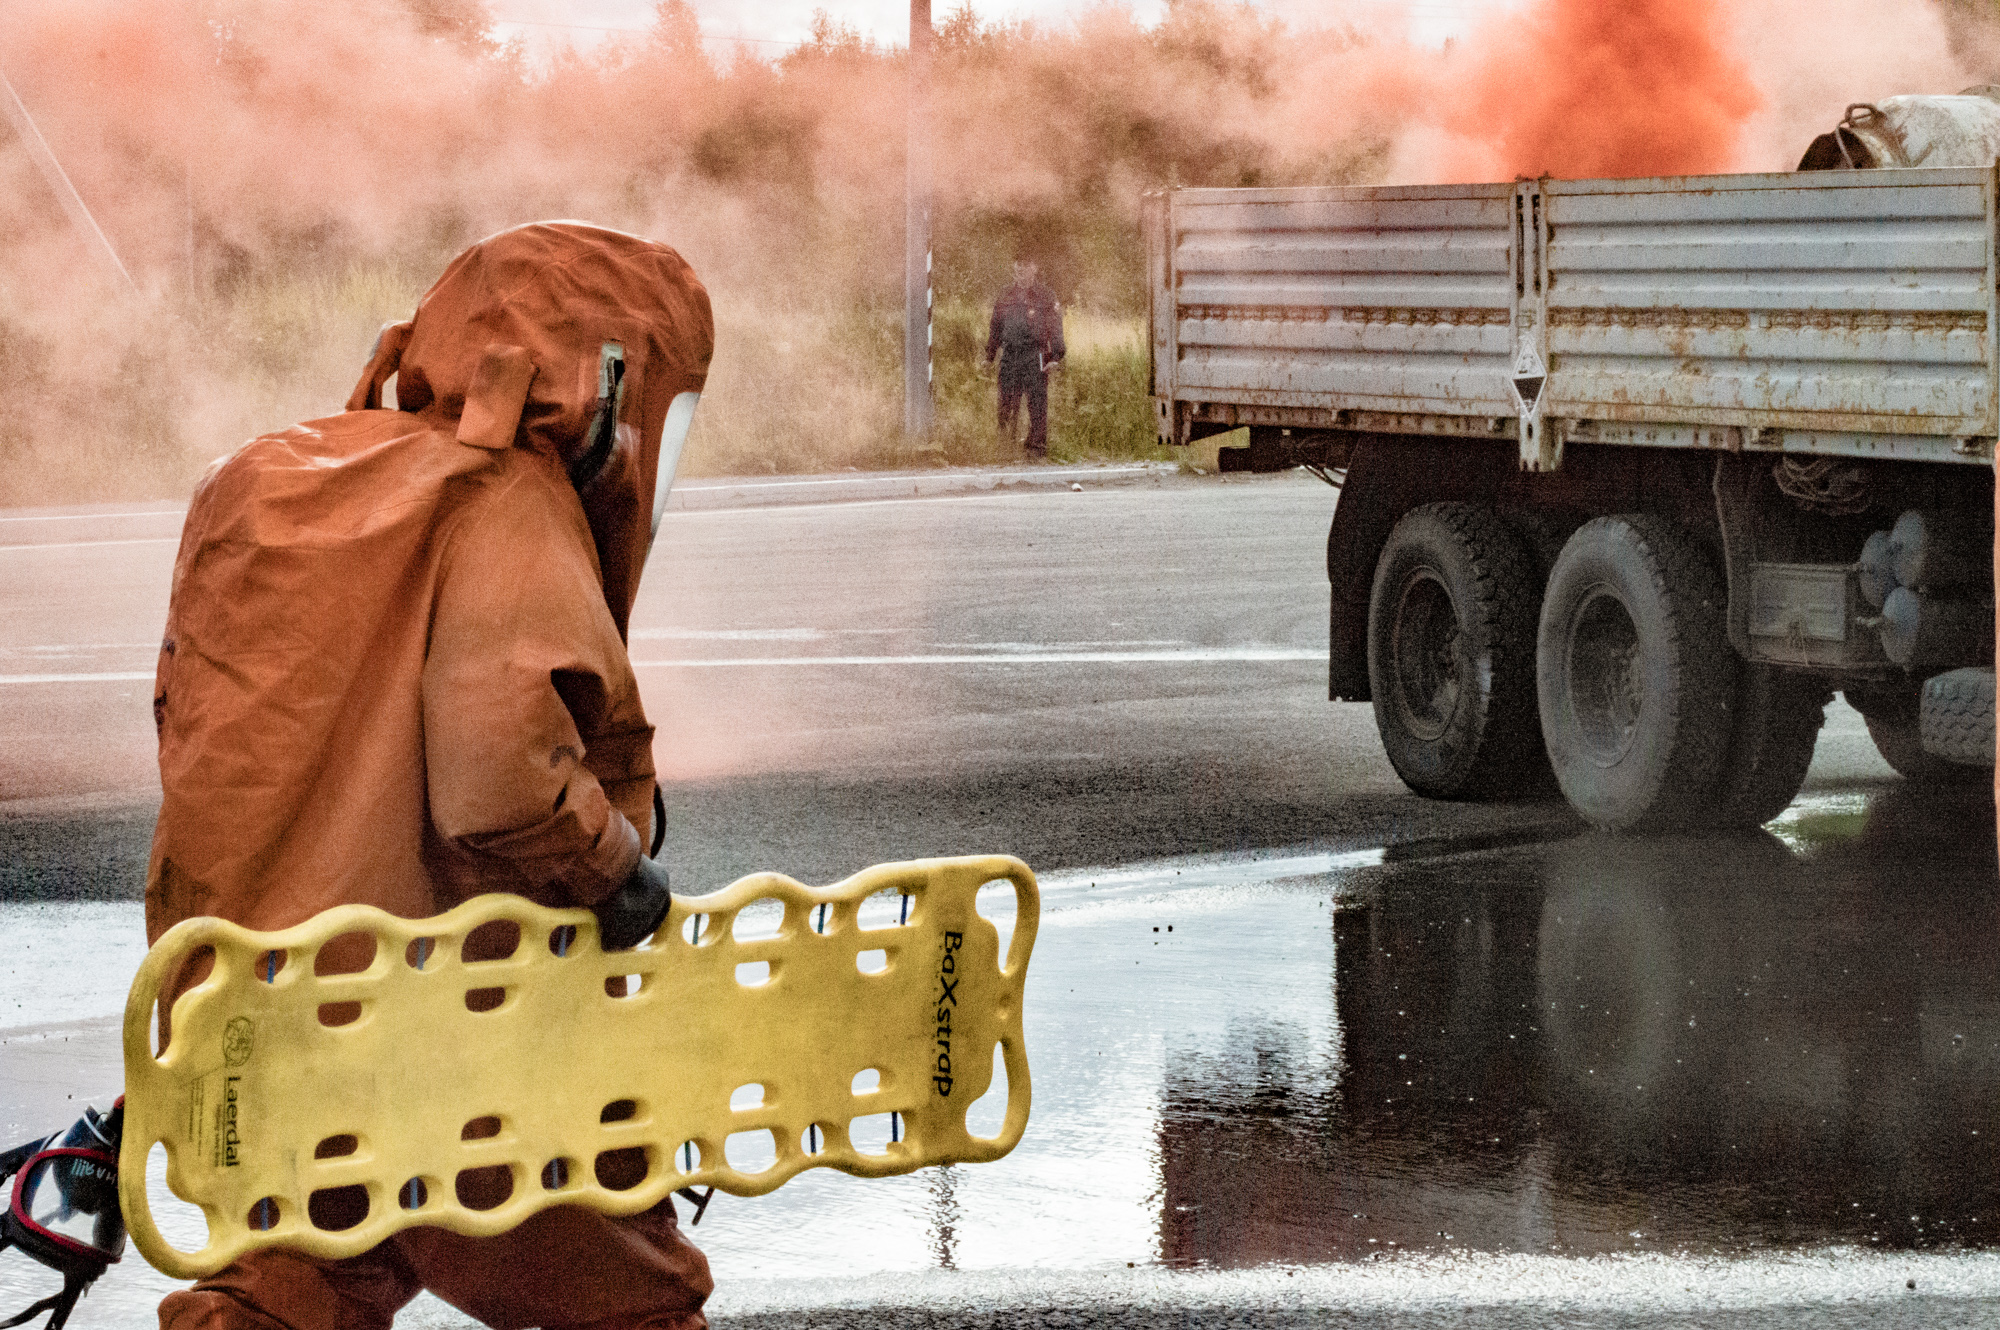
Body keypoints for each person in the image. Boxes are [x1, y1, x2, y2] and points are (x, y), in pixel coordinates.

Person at [145, 222, 715, 1330]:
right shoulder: (504, 500)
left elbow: (196, 728)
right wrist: (616, 871)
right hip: (443, 1028)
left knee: (298, 1285)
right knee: (635, 1299)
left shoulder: (262, 482)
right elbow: (502, 779)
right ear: (605, 390)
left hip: (251, 1025)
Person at [983, 253, 1065, 458]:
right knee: (1006, 403)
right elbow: (995, 327)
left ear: (1035, 267)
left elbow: (1055, 327)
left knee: (1037, 404)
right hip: (1010, 355)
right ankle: (1005, 448)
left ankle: (1036, 450)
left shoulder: (1045, 295)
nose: (1021, 269)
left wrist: (1056, 356)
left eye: (1026, 264)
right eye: (1018, 264)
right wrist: (989, 355)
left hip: (1034, 355)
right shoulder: (1005, 295)